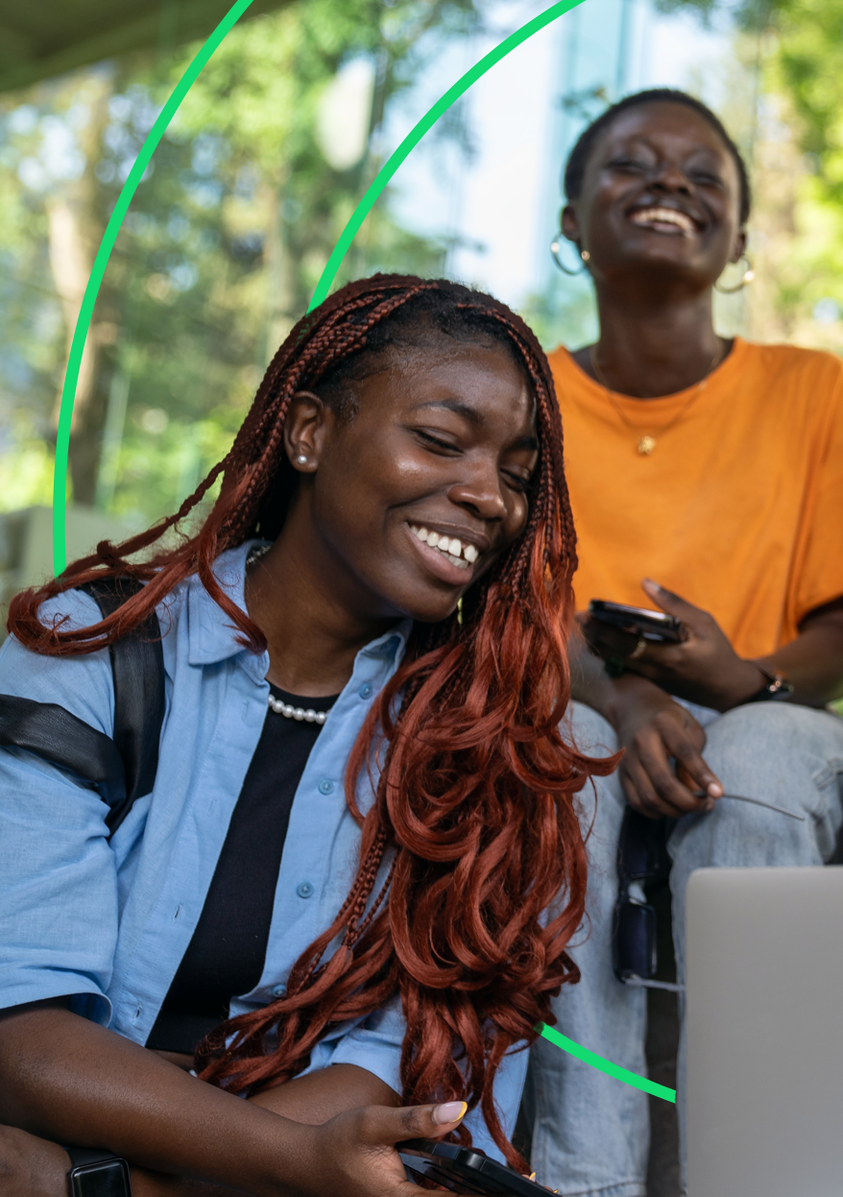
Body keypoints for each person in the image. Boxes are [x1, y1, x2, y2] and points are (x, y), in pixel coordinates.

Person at [0, 276, 596, 1196]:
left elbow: (406, 1066)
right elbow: (19, 1031)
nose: (489, 497)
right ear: (309, 432)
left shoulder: (484, 740)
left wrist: (102, 1186)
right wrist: (293, 1160)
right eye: (440, 441)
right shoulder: (93, 654)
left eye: (516, 477)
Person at [528, 88, 843, 1195]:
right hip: (577, 710)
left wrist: (743, 678)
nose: (668, 185)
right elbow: (505, 618)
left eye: (704, 177)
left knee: (764, 758)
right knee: (560, 754)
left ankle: (756, 1170)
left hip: (768, 720)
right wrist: (628, 698)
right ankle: (584, 1179)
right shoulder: (522, 394)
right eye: (632, 165)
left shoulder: (816, 391)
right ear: (570, 221)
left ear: (740, 238)